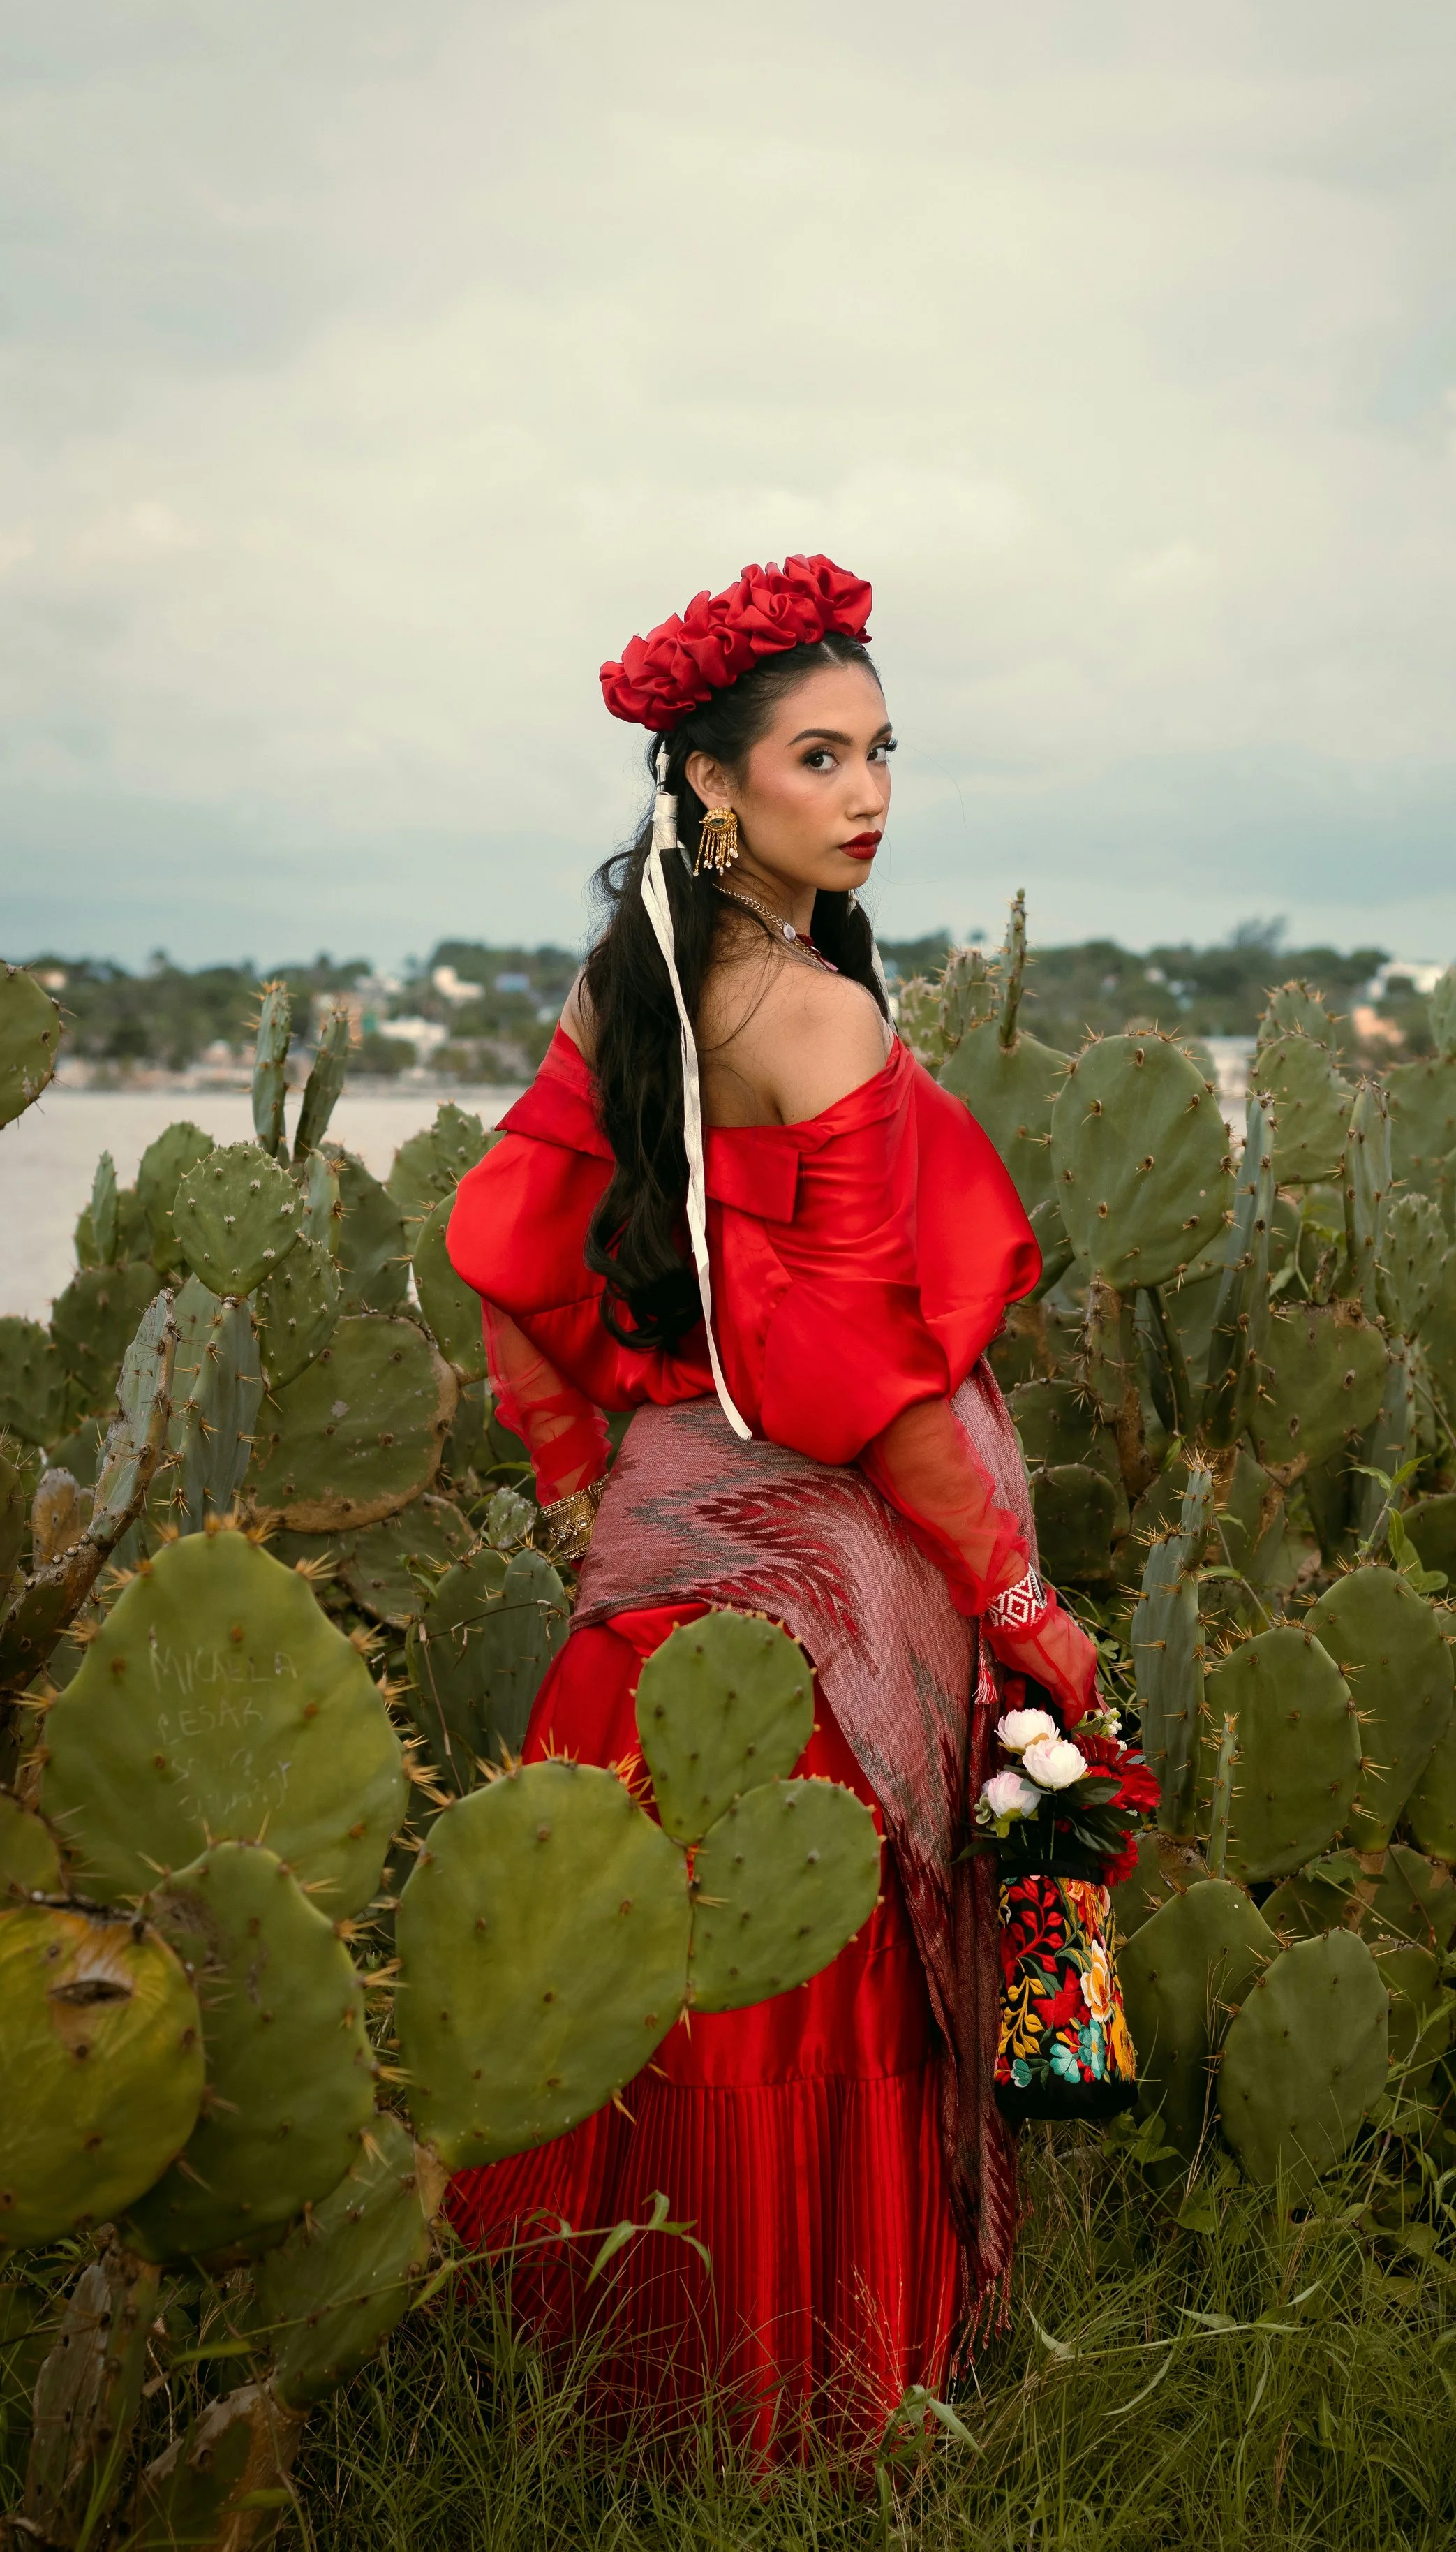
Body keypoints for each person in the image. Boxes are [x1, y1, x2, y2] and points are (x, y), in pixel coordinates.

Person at [443, 555, 1099, 2452]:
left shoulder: (634, 984)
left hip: (648, 1600)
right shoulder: (811, 1015)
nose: (869, 791)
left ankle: (591, 2399)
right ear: (714, 784)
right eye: (820, 756)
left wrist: (596, 1490)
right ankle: (800, 2396)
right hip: (812, 1608)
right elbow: (875, 1391)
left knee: (647, 2002)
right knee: (800, 1988)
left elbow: (509, 1245)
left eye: (883, 749)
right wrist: (1022, 1607)